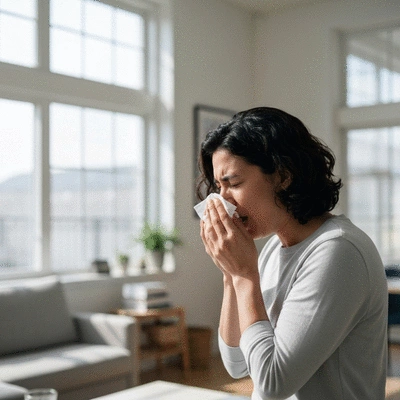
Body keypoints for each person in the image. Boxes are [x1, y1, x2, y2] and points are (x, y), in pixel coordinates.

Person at [196, 107, 387, 400]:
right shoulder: (275, 247)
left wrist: (245, 276)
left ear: (283, 176)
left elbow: (273, 384)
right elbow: (237, 363)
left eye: (233, 183)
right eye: (219, 187)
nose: (223, 201)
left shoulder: (338, 251)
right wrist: (231, 274)